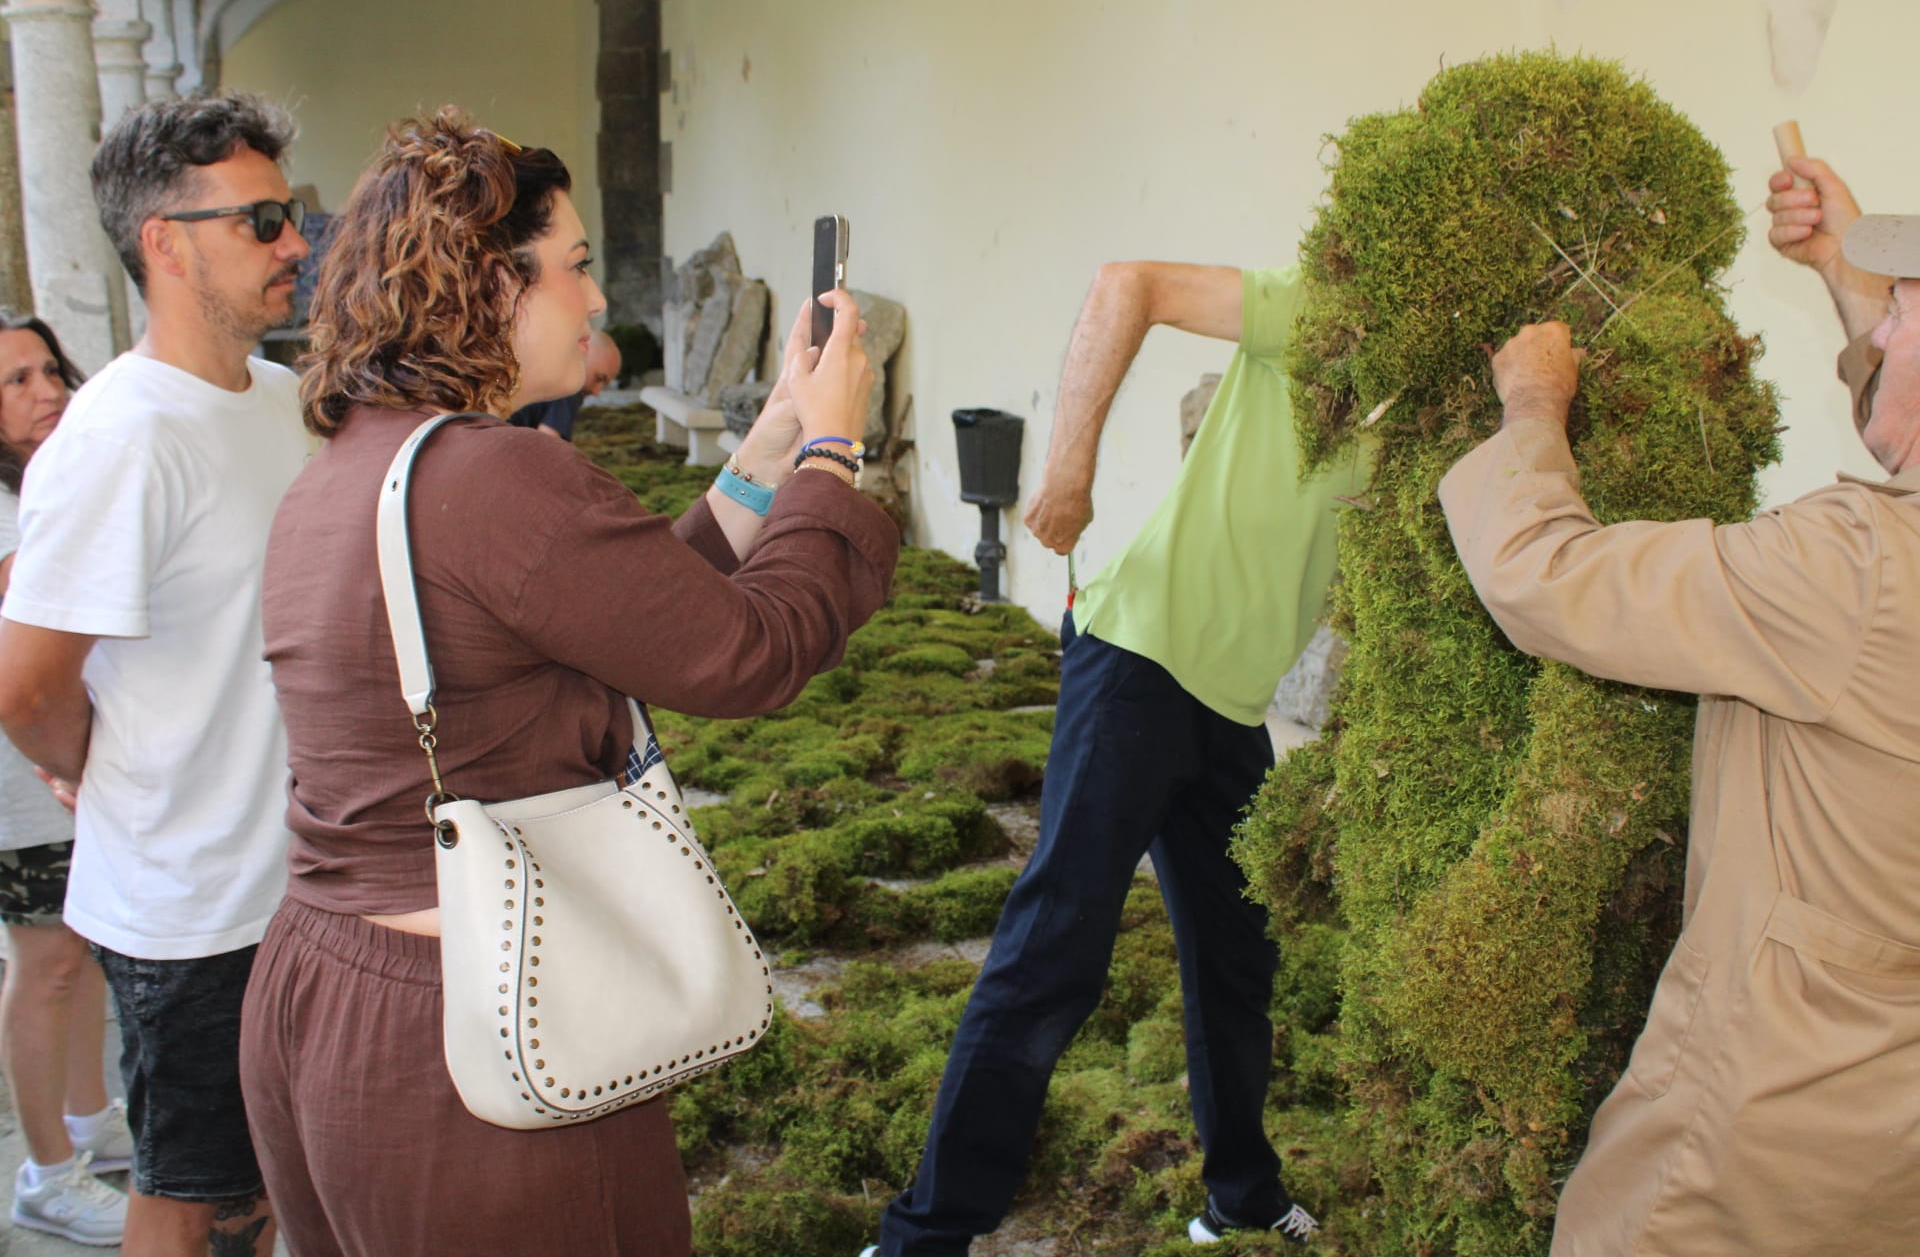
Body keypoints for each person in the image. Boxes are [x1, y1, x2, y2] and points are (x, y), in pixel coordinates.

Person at [238, 109, 898, 1256]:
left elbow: (624, 607)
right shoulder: (497, 474)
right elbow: (752, 651)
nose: (596, 299)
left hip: (324, 997)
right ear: (491, 282)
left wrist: (773, 441)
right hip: (479, 1016)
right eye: (575, 265)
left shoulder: (356, 470)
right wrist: (835, 453)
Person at [1437, 168, 1920, 1252]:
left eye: (1898, 314)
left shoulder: (1855, 570)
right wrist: (1843, 267)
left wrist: (1532, 407)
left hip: (1764, 1129)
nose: (1877, 337)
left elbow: (1543, 576)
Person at [864, 264, 1372, 1256]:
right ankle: (922, 1238)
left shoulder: (1439, 405)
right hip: (1141, 660)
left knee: (1239, 955)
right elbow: (1125, 284)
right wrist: (1069, 468)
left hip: (1230, 703)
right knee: (1055, 949)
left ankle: (1241, 1195)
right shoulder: (1325, 314)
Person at [0, 93, 313, 1257]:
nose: (294, 241)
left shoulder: (283, 400)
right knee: (194, 1205)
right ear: (165, 243)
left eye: (290, 212)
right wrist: (99, 765)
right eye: (262, 219)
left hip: (300, 880)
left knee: (267, 1191)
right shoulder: (118, 434)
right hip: (190, 905)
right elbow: (27, 684)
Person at [0, 312, 132, 1247]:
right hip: (22, 781)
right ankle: (47, 1172)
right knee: (44, 964)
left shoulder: (35, 481)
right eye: (16, 380)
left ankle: (90, 1123)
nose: (46, 390)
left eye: (49, 369)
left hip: (59, 769)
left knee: (74, 950)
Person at [508, 327, 621, 439]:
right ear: (584, 351)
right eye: (599, 378)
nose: (596, 391)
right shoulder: (570, 386)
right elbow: (548, 439)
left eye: (604, 384)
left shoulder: (547, 365)